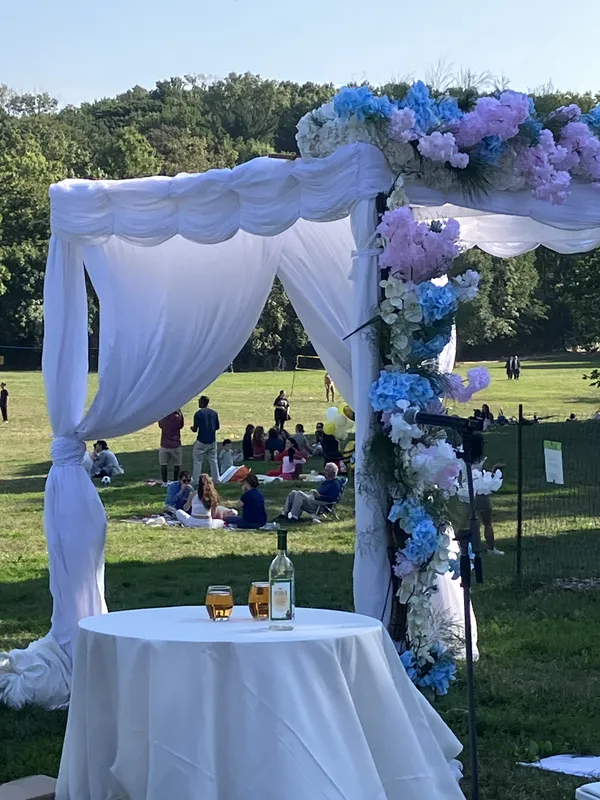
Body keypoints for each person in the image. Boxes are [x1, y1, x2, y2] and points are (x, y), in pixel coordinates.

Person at [461, 433, 504, 556]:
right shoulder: (483, 460)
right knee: (487, 523)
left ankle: (470, 550)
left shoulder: (461, 458)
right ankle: (491, 548)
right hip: (480, 492)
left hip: (465, 493)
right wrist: (495, 468)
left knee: (468, 525)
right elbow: (487, 475)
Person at [191, 396, 220, 486]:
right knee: (213, 460)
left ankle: (195, 480)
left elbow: (195, 429)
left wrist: (192, 428)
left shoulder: (198, 414)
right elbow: (217, 427)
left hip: (201, 440)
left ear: (202, 402)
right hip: (212, 440)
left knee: (197, 460)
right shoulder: (214, 413)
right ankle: (216, 479)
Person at [158, 409, 184, 485]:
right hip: (176, 444)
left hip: (165, 444)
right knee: (177, 464)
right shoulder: (177, 417)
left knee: (163, 464)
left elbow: (160, 425)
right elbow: (181, 425)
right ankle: (175, 480)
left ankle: (164, 482)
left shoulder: (164, 417)